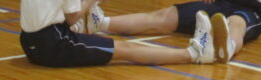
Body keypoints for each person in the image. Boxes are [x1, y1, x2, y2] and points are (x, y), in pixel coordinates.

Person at [19, 0, 226, 67]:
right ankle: (195, 54)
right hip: (55, 44)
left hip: (30, 41)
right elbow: (72, 17)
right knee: (126, 49)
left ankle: (97, 23)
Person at [87, 0, 261, 62]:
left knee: (236, 23)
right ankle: (100, 23)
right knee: (164, 16)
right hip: (218, 3)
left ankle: (226, 47)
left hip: (252, 6)